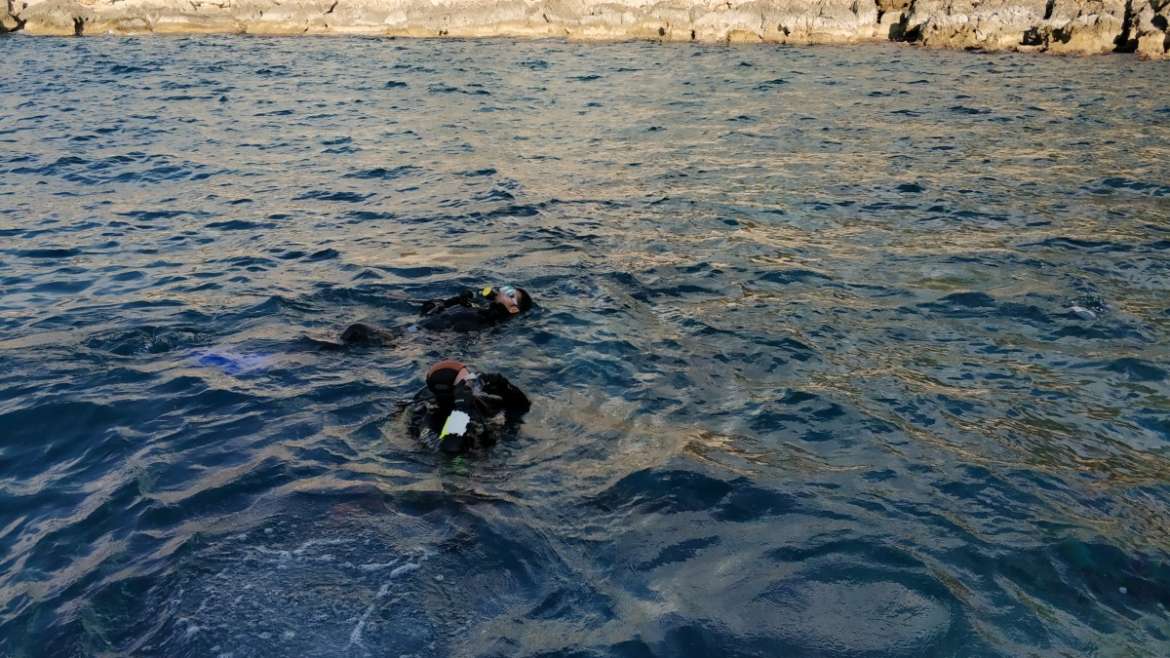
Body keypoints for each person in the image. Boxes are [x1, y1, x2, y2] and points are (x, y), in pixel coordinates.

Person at [334, 285, 533, 347]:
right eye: (506, 288)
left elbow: (467, 339)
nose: (503, 291)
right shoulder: (476, 307)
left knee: (356, 330)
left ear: (513, 309)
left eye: (510, 294)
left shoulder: (491, 322)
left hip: (416, 339)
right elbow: (430, 309)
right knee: (353, 332)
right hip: (411, 330)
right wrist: (454, 300)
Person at [407, 358, 530, 454]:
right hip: (461, 464)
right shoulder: (429, 418)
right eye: (468, 382)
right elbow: (449, 451)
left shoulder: (479, 403)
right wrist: (461, 410)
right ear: (458, 390)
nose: (472, 384)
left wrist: (504, 386)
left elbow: (522, 406)